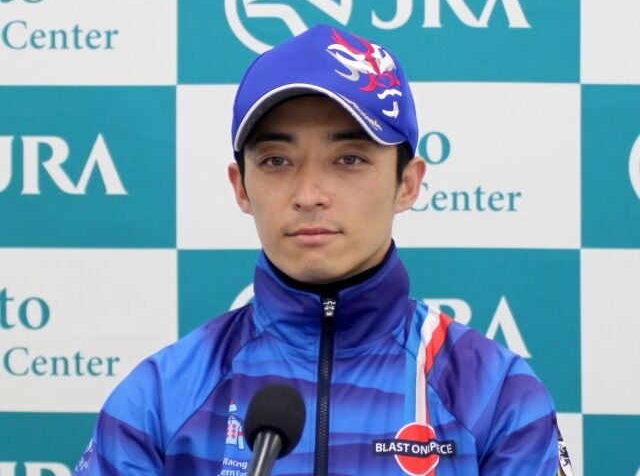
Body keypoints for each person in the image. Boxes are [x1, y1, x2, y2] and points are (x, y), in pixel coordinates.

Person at [73, 24, 572, 475]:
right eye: (276, 160)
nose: (309, 194)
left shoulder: (495, 394)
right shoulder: (159, 398)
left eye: (349, 159)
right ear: (241, 187)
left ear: (407, 183)